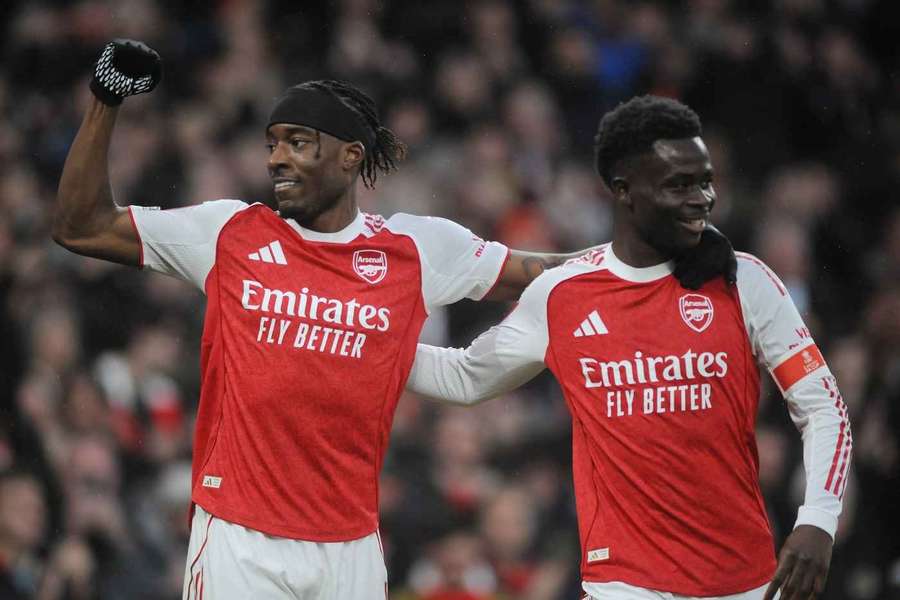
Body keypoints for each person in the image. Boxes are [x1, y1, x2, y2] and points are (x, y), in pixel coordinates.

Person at [53, 40, 733, 599]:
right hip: (240, 538)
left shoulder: (414, 248)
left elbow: (541, 271)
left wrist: (657, 252)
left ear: (351, 157)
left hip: (349, 546)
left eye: (297, 142)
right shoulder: (230, 232)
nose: (276, 158)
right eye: (271, 144)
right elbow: (80, 226)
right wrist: (106, 99)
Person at [408, 95, 851, 600]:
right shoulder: (562, 295)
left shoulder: (743, 280)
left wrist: (818, 518)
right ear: (624, 191)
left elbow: (823, 407)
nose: (702, 198)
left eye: (705, 181)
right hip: (622, 585)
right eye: (678, 185)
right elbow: (466, 377)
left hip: (742, 580)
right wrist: (373, 343)